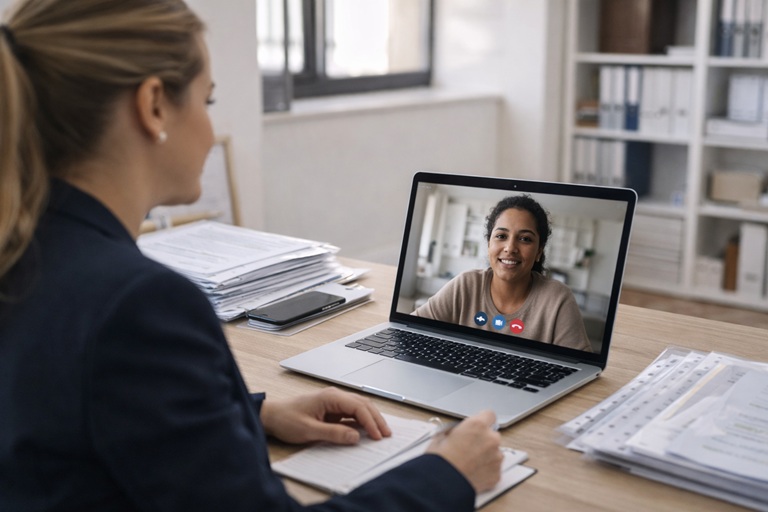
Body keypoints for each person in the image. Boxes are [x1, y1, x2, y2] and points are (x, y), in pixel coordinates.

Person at [0, 1, 503, 510]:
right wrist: (449, 473)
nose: (209, 124)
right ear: (153, 105)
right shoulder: (138, 304)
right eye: (208, 99)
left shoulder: (22, 252)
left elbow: (73, 417)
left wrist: (250, 413)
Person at [414, 195, 592, 352]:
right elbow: (412, 329)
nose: (510, 248)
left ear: (539, 251)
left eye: (525, 239)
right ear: (489, 243)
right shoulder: (466, 284)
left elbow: (580, 367)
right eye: (501, 236)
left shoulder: (557, 299)